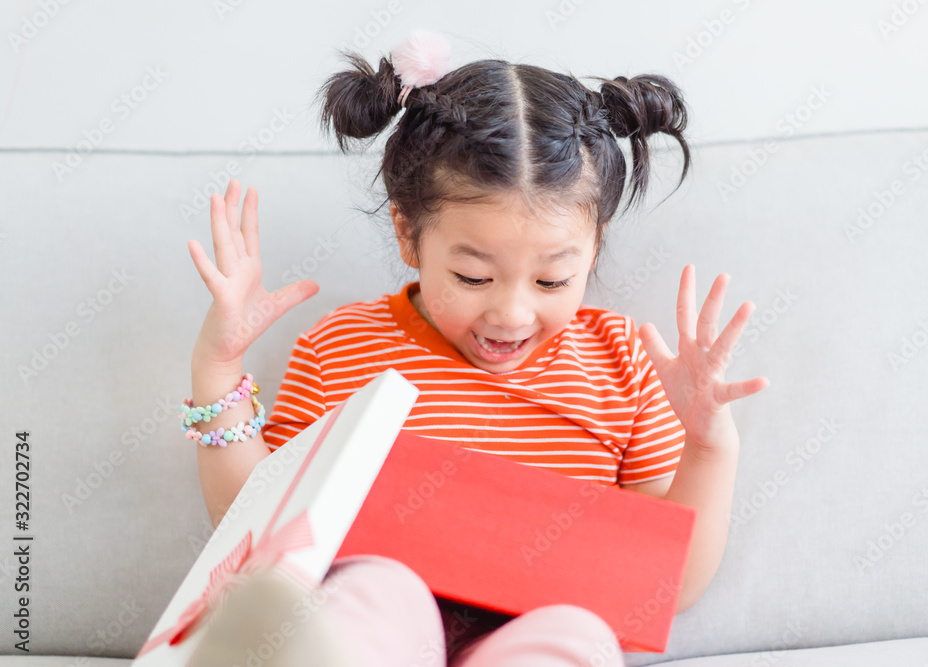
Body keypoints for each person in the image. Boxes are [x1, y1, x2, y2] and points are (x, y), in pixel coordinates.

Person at [181, 27, 768, 667]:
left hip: (542, 619)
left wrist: (710, 443)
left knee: (576, 633)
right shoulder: (342, 345)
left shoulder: (622, 361)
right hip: (383, 620)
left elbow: (665, 585)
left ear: (594, 246)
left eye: (552, 280)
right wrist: (218, 366)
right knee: (376, 591)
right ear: (409, 235)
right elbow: (257, 523)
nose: (511, 312)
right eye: (473, 278)